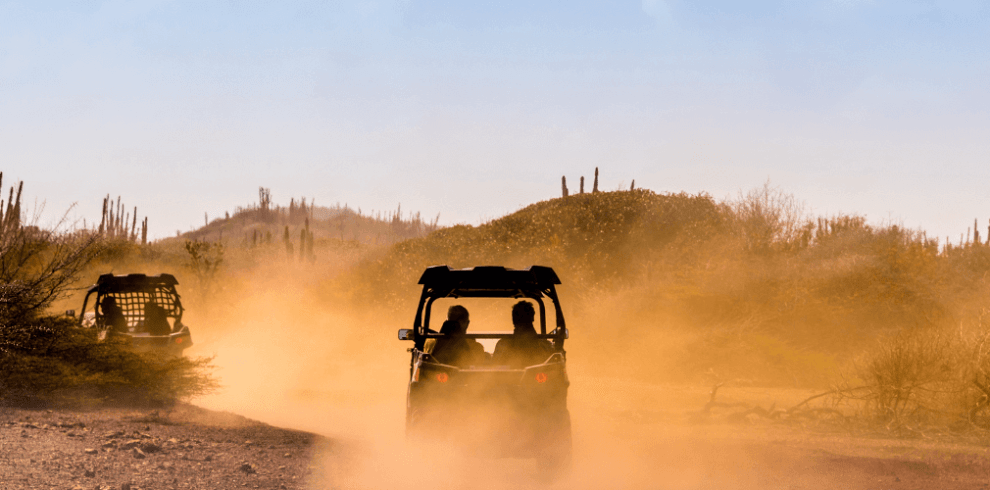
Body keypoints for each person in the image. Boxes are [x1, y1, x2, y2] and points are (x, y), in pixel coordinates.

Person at [492, 301, 554, 368]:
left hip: (508, 377)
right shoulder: (545, 346)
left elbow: (494, 367)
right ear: (532, 318)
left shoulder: (503, 345)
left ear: (513, 320)